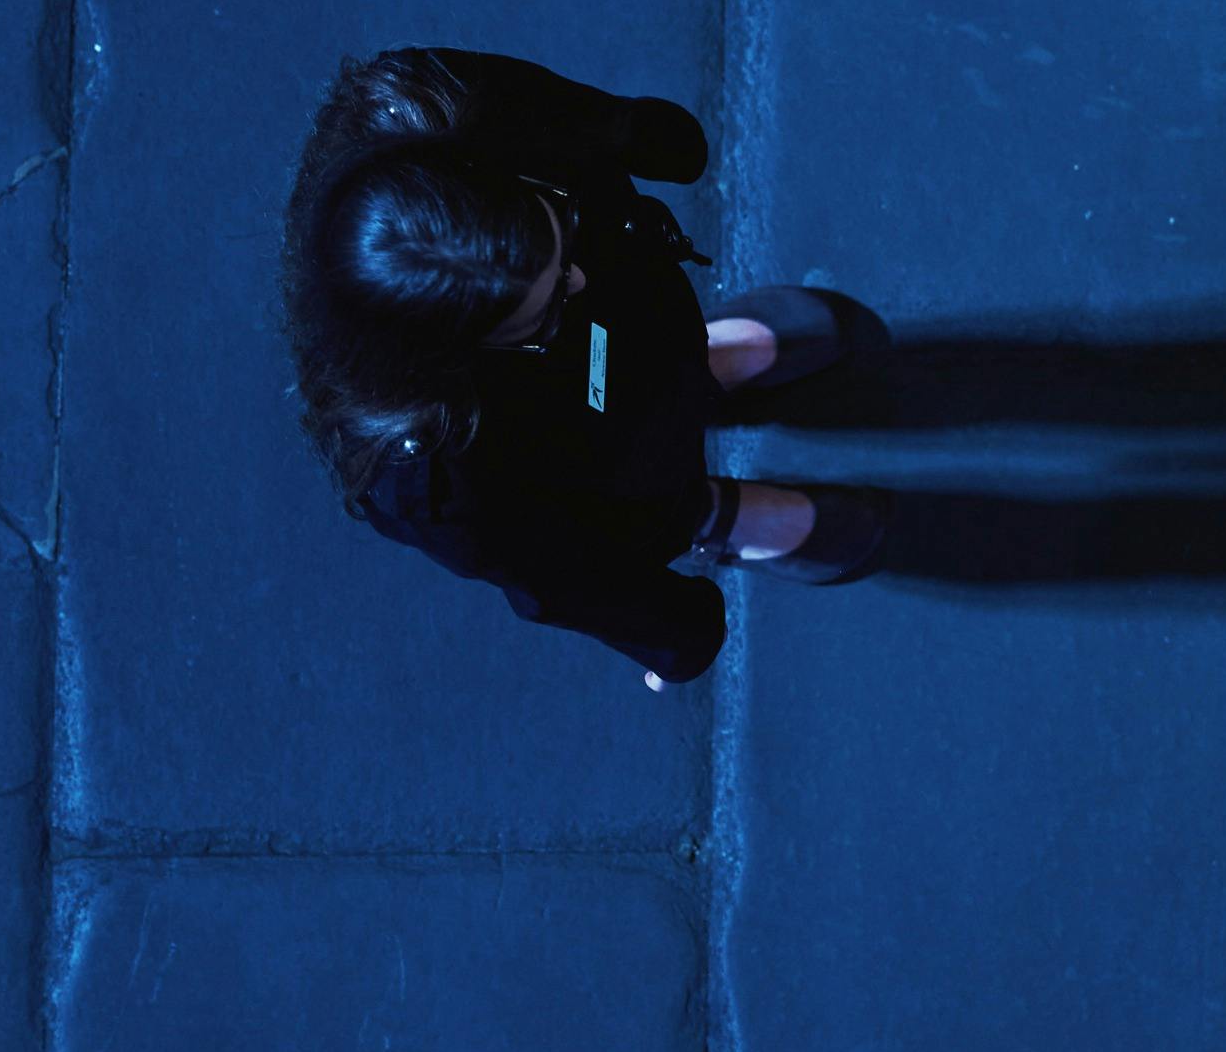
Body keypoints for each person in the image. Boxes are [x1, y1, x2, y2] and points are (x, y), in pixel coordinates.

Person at [276, 48, 885, 687]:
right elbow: (562, 575)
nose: (578, 275)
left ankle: (698, 359)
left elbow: (542, 103)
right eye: (541, 310)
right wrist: (674, 633)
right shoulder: (428, 473)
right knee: (633, 476)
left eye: (552, 231)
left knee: (636, 316)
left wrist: (637, 134)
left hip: (622, 294)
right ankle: (704, 512)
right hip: (572, 439)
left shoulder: (412, 105)